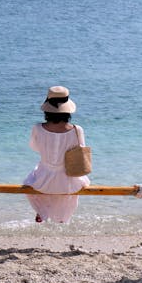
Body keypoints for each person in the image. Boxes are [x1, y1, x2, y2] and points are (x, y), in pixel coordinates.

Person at [24, 85, 90, 223]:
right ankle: (61, 217)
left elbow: (34, 147)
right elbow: (80, 151)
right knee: (71, 186)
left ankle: (42, 211)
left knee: (31, 182)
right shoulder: (77, 130)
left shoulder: (37, 128)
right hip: (68, 181)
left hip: (43, 180)